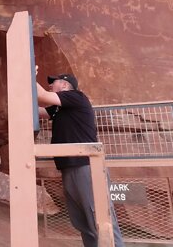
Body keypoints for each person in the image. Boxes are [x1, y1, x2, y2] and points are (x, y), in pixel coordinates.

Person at [35, 67, 125, 247]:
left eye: (54, 81)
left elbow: (43, 96)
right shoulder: (59, 109)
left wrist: (29, 73)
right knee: (84, 223)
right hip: (70, 168)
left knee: (100, 219)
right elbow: (39, 110)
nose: (51, 84)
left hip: (86, 166)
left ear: (65, 84)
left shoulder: (76, 97)